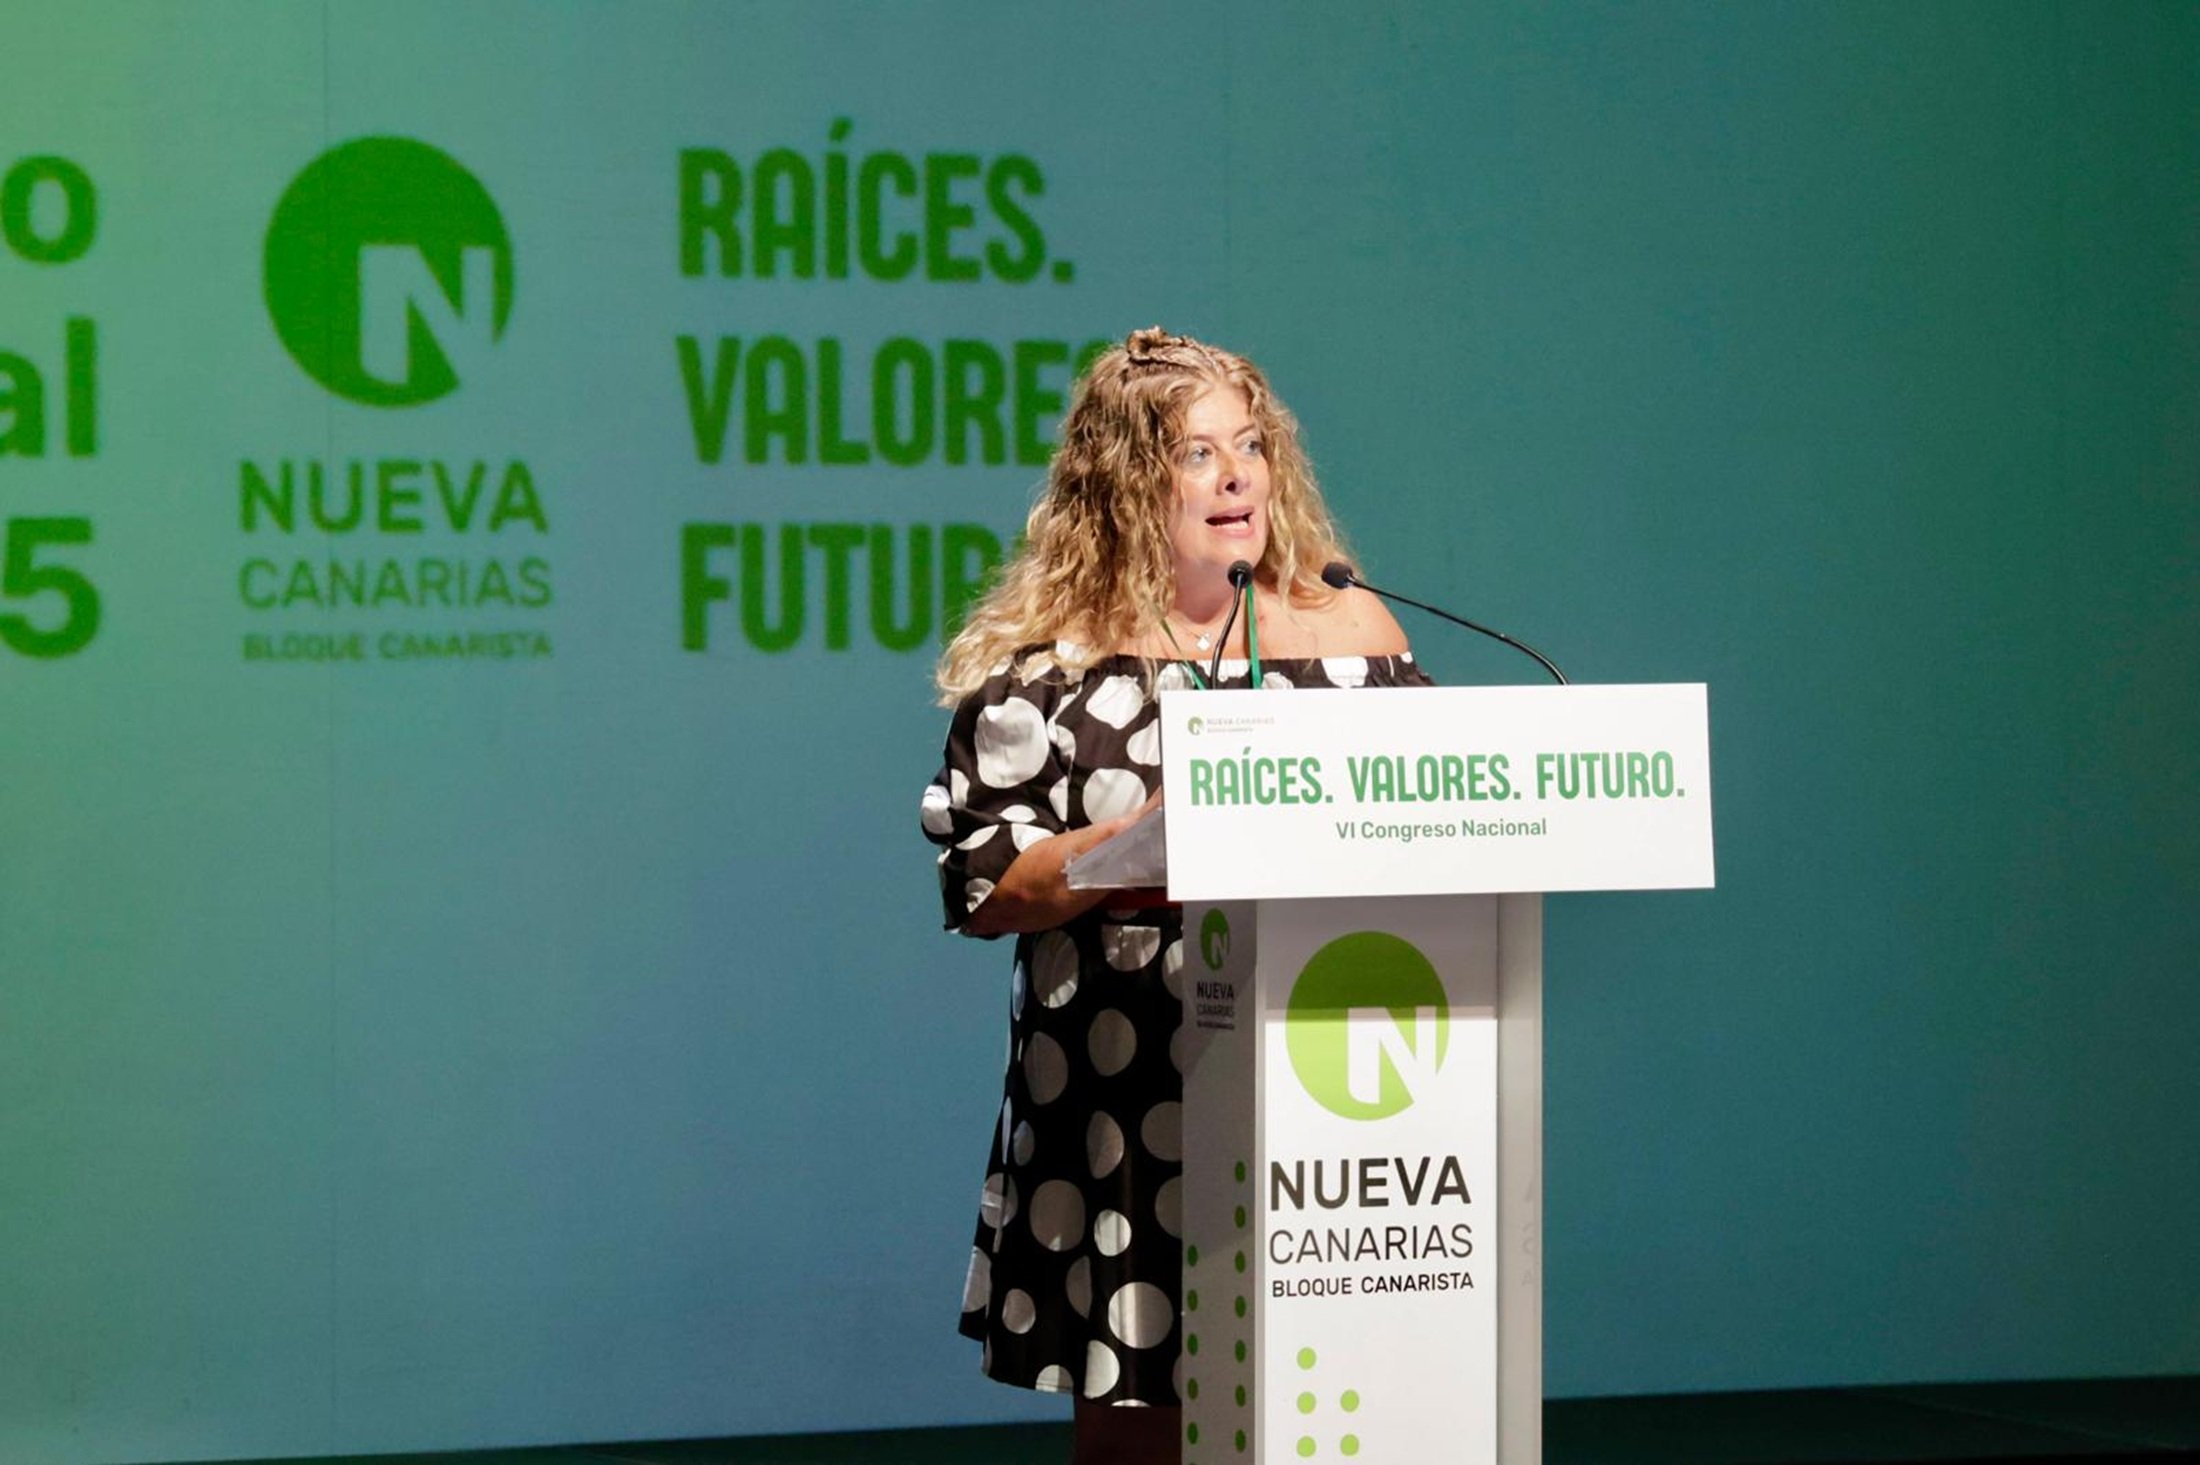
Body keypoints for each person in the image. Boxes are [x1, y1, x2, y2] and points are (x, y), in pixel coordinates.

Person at [920, 327, 1429, 1465]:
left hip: (1321, 1075)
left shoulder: (1351, 631)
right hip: (1126, 1078)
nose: (1237, 476)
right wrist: (1131, 848)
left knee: (1321, 1407)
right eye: (1196, 454)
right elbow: (985, 883)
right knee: (1143, 1413)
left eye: (1250, 445)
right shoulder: (1049, 661)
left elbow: (1425, 813)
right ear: (1123, 482)